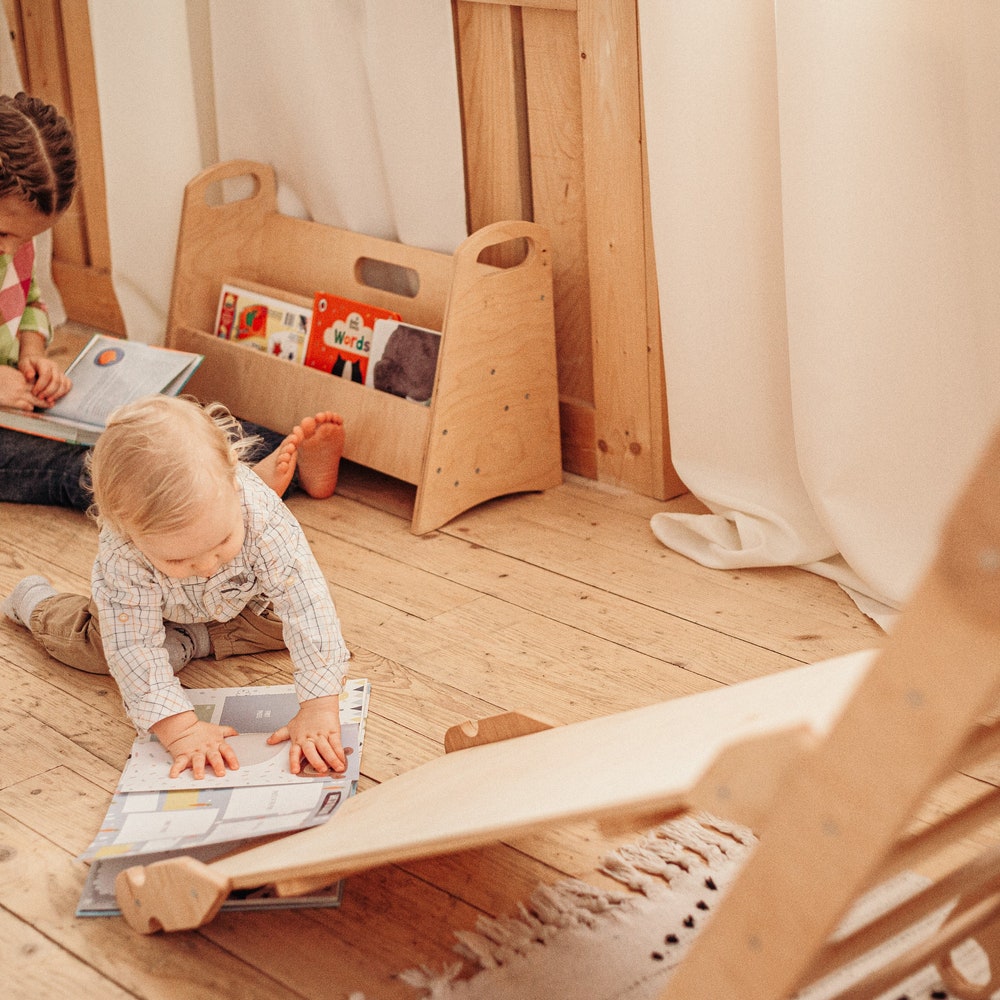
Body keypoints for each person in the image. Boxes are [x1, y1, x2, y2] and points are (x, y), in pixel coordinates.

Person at [0, 90, 343, 505]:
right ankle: (230, 492)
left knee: (160, 416)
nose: (13, 250)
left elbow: (28, 300)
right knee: (80, 468)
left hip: (21, 401)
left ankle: (276, 452)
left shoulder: (12, 243)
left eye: (28, 239)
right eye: (5, 235)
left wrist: (32, 355)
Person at [2, 394, 351, 780]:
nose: (203, 566)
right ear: (126, 530)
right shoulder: (124, 552)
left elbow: (306, 603)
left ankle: (192, 640)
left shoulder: (260, 513)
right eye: (178, 560)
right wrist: (181, 728)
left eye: (220, 543)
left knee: (290, 624)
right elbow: (132, 647)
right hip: (145, 609)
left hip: (236, 598)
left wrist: (319, 707)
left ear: (234, 482)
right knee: (98, 650)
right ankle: (33, 602)